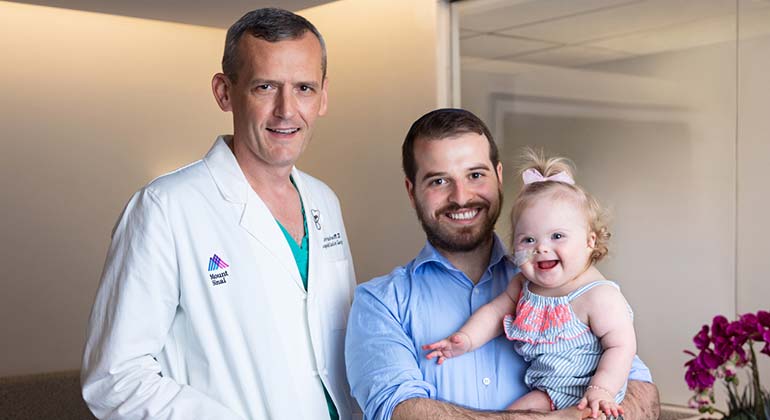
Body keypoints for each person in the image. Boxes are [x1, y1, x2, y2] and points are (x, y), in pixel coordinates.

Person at [81, 8, 355, 420]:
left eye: (304, 88)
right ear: (225, 92)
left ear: (324, 97)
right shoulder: (165, 209)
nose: (287, 110)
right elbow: (116, 378)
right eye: (265, 87)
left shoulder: (325, 202)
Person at [345, 108, 660, 420]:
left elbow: (641, 394)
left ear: (497, 177)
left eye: (475, 175)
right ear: (412, 192)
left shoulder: (568, 285)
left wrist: (598, 403)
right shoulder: (380, 304)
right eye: (439, 181)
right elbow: (400, 413)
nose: (461, 196)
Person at [423, 149, 636, 419]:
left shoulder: (598, 295)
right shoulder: (524, 285)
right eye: (528, 240)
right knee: (510, 415)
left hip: (591, 397)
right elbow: (494, 313)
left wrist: (601, 389)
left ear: (589, 241)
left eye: (557, 236)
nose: (542, 249)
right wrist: (466, 339)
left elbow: (621, 346)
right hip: (548, 391)